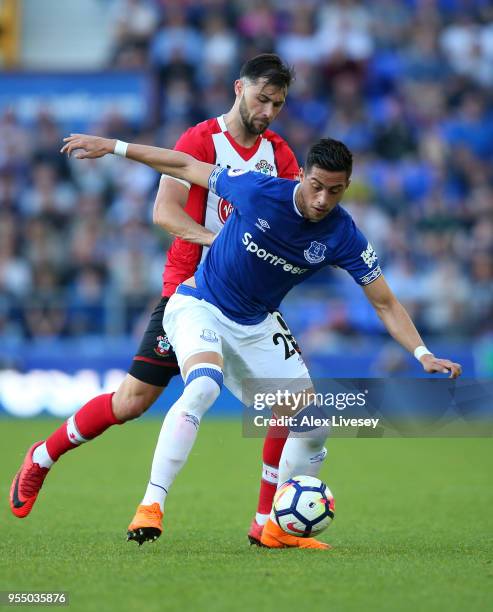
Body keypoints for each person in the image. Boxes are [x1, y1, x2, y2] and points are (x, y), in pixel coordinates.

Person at [57, 132, 462, 549]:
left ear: (348, 186)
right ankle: (151, 506)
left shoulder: (344, 234)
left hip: (257, 323)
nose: (323, 199)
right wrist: (115, 147)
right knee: (202, 385)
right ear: (301, 175)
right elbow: (183, 166)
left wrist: (423, 353)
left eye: (336, 190)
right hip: (199, 303)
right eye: (317, 186)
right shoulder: (258, 189)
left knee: (313, 423)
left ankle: (273, 528)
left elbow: (385, 302)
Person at [9, 54, 300, 547]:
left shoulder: (281, 155)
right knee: (131, 402)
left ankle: (264, 521)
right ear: (239, 88)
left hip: (248, 299)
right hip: (190, 290)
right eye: (262, 98)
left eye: (277, 104)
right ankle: (42, 456)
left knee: (286, 401)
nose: (269, 111)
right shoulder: (198, 141)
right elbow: (164, 213)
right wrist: (219, 242)